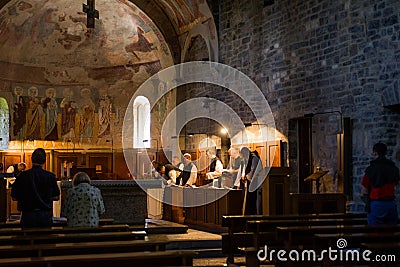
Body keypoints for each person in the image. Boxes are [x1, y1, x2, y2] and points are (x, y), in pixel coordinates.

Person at [11, 148, 60, 228]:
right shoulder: (50, 176)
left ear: (31, 160)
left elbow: (14, 197)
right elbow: (56, 197)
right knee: (44, 239)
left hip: (27, 216)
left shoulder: (22, 176)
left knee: (27, 238)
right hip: (45, 215)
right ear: (44, 161)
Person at [361, 142, 400, 225]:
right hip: (391, 204)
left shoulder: (371, 169)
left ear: (375, 152)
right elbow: (397, 182)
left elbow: (364, 190)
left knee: (375, 233)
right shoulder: (393, 168)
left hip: (376, 203)